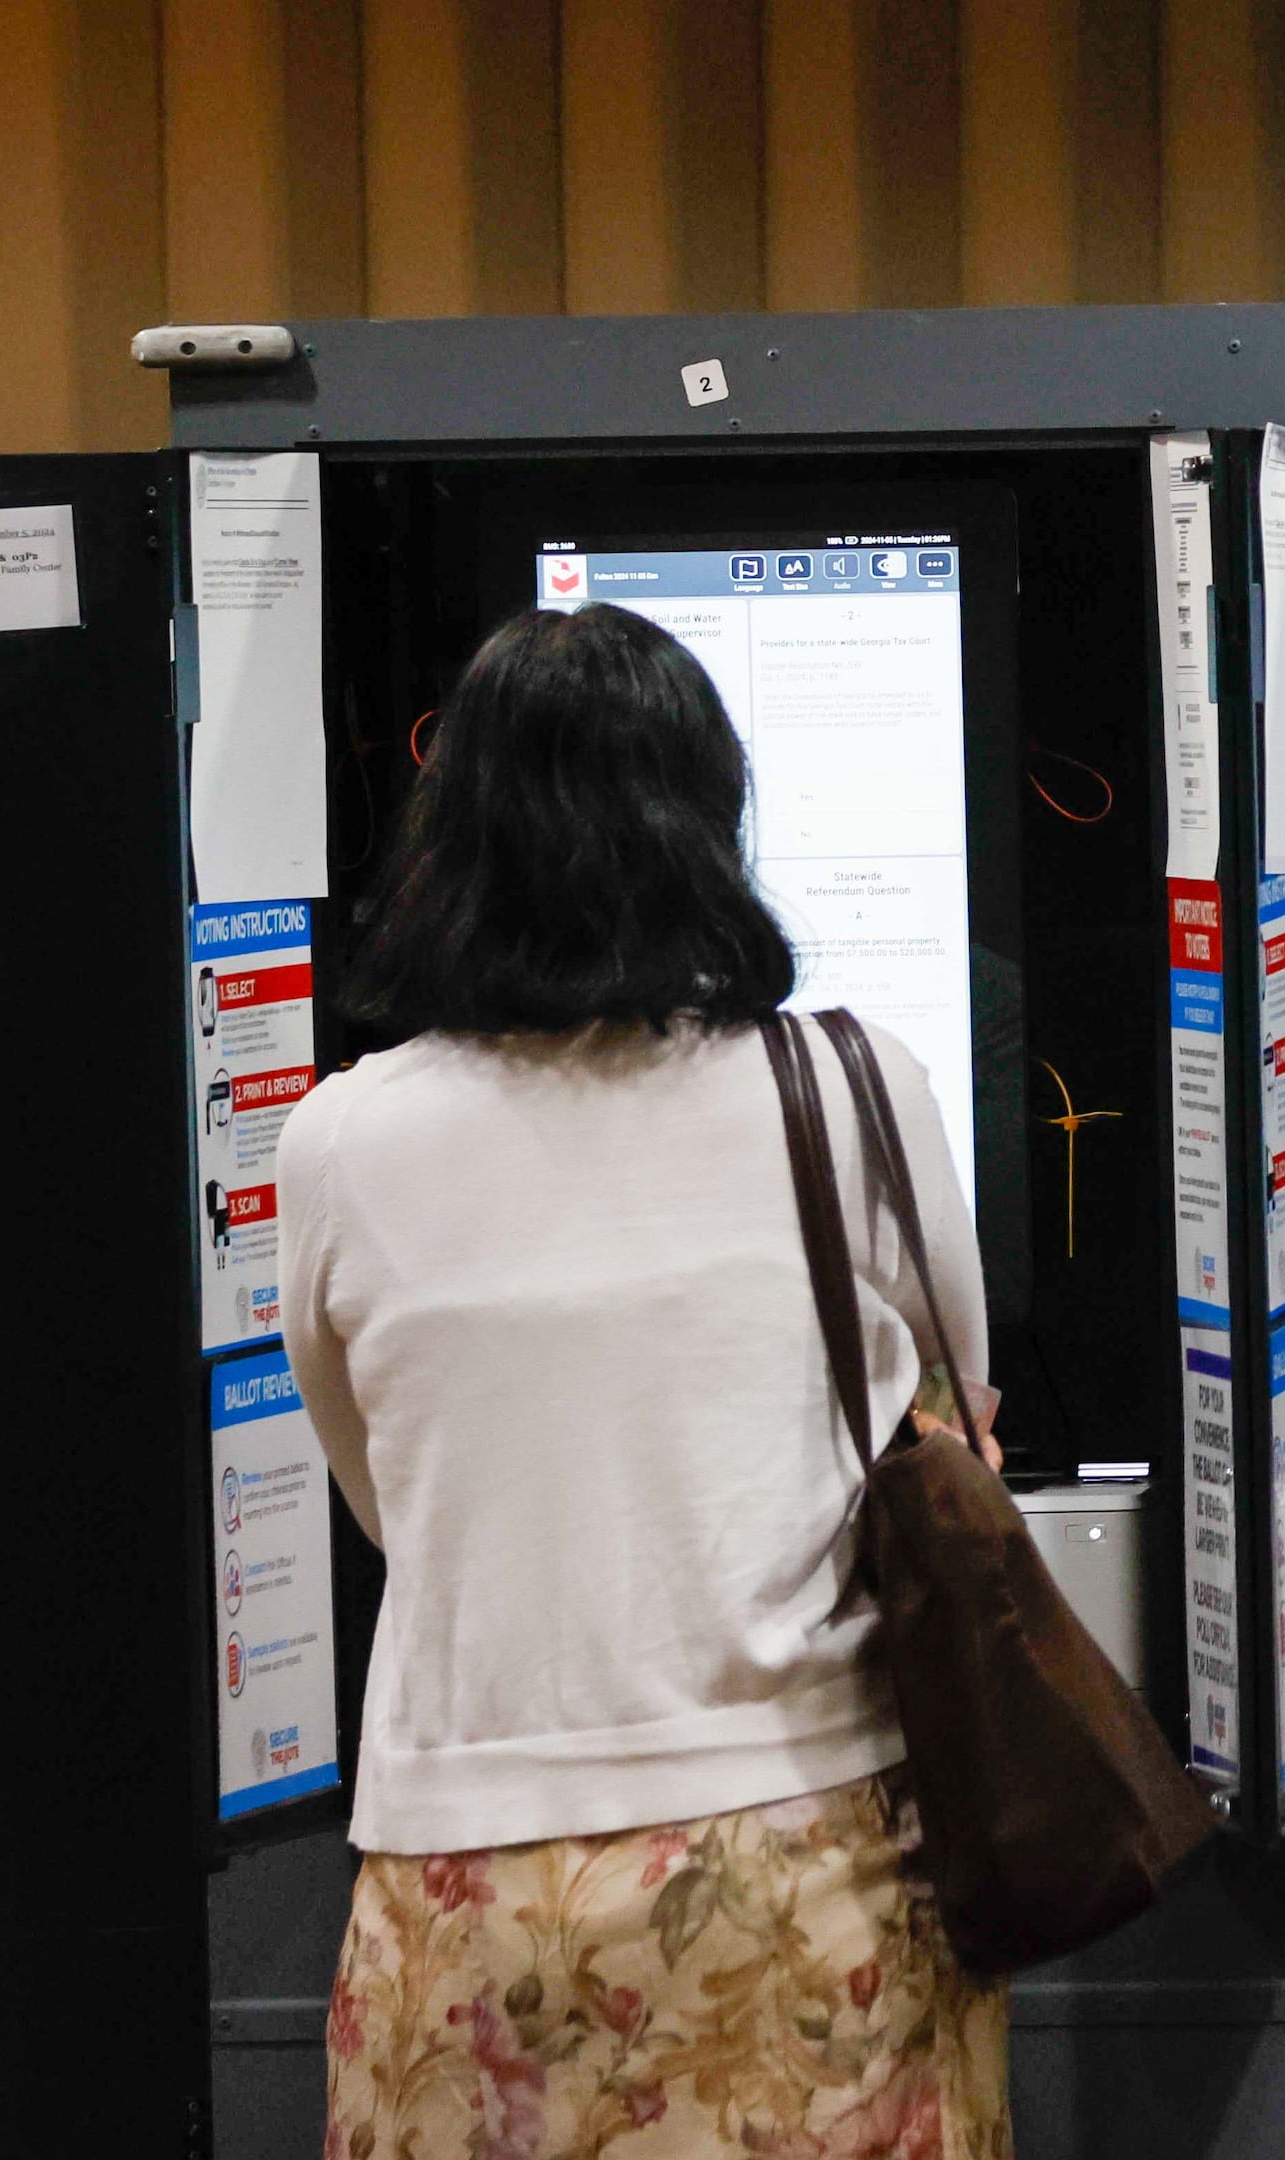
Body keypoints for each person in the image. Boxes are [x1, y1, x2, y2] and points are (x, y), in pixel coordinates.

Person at [280, 604, 1012, 2156]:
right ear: (713, 821)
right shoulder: (853, 1085)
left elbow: (385, 1492)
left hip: (461, 1884)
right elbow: (956, 1410)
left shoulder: (340, 1140)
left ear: (449, 836)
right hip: (807, 1869)